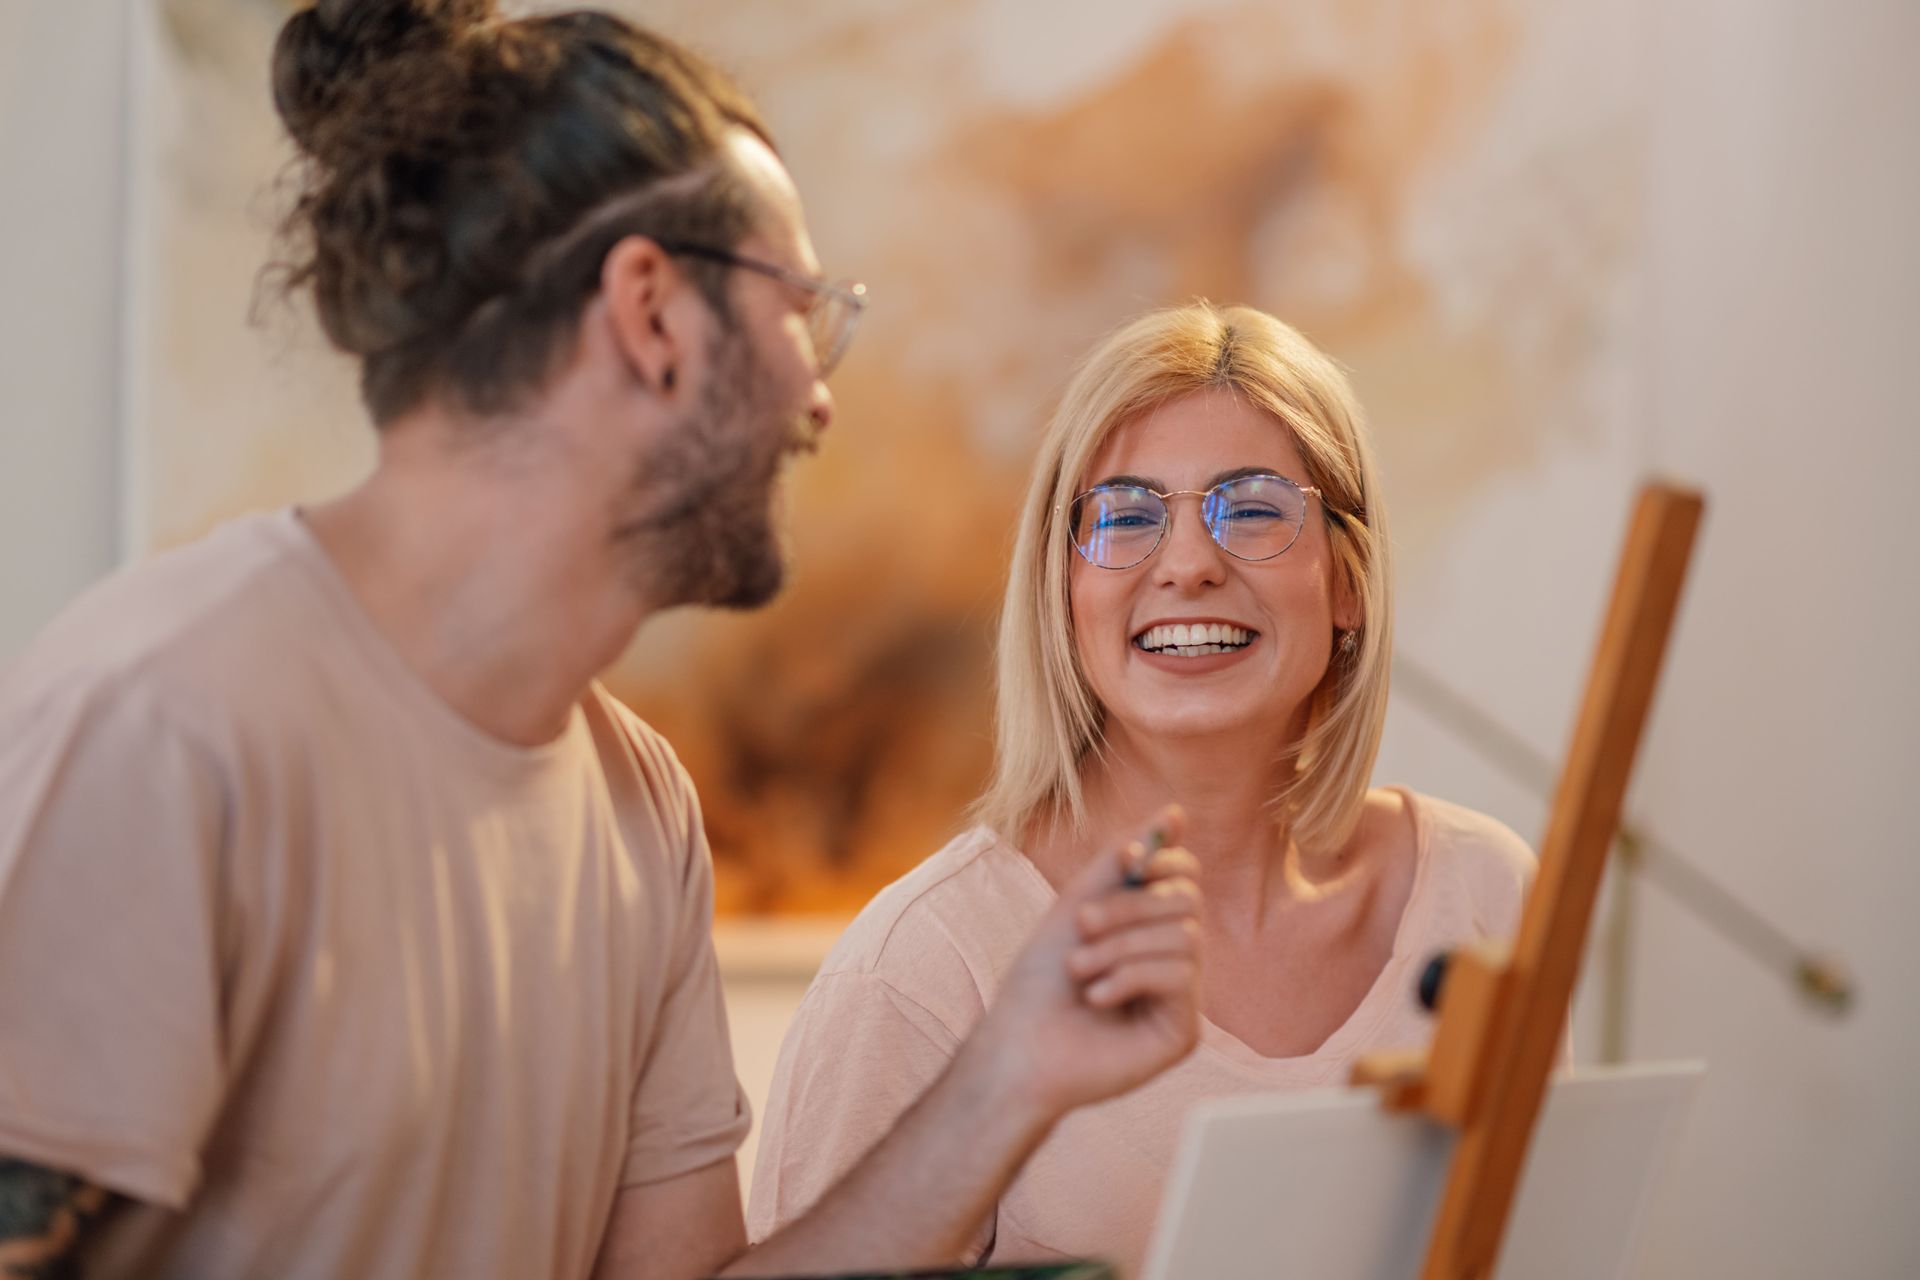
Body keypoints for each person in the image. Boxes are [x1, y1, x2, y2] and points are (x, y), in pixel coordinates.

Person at [0, 4, 1206, 1278]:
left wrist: (1009, 1080)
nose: (818, 393)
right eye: (800, 307)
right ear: (653, 313)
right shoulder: (165, 721)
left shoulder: (640, 808)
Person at [748, 302, 1540, 1272]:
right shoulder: (921, 969)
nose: (1190, 564)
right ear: (1063, 587)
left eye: (1251, 507)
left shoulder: (1484, 895)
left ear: (1349, 583)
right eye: (1125, 515)